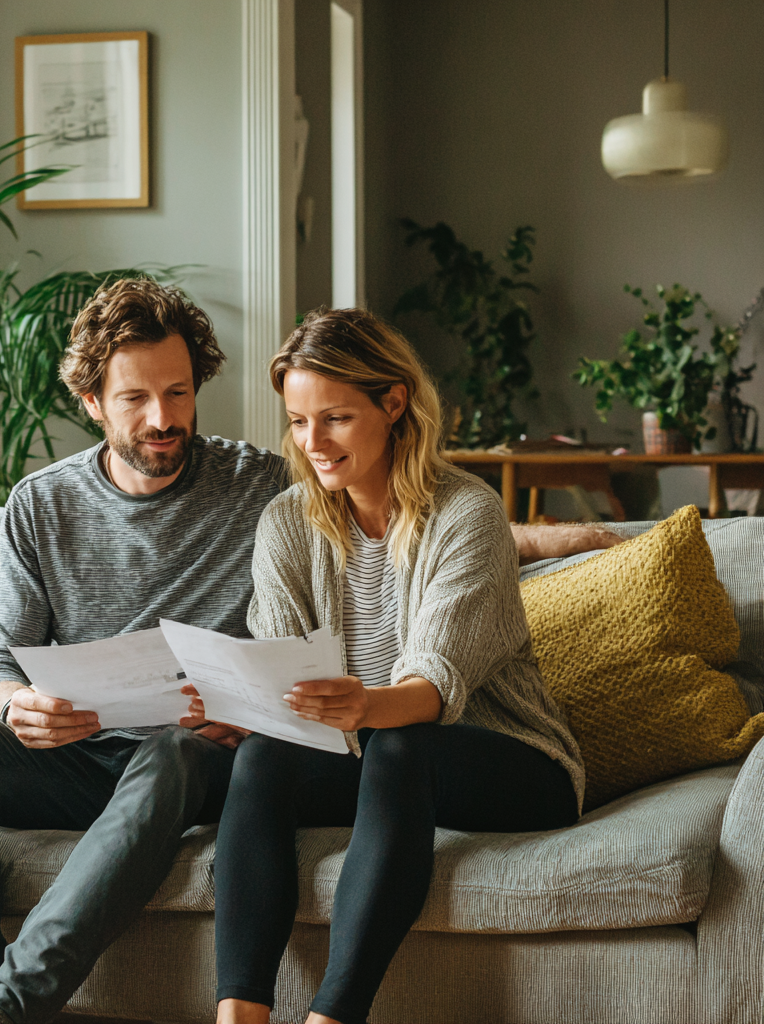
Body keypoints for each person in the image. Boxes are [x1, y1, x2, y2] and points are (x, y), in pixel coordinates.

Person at [0, 278, 285, 1024]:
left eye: (179, 393)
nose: (163, 419)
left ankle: (10, 1007)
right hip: (82, 756)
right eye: (136, 400)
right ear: (90, 401)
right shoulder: (41, 504)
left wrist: (566, 537)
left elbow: (387, 520)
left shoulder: (260, 483)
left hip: (194, 756)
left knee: (172, 751)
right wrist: (17, 706)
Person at [201, 308, 587, 1024]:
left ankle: (333, 1017)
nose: (312, 442)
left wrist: (360, 707)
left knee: (401, 744)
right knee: (262, 763)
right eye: (297, 421)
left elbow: (432, 684)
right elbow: (282, 671)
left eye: (336, 418)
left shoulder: (466, 513)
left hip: (515, 762)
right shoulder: (285, 521)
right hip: (366, 753)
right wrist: (242, 705)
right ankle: (239, 1016)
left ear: (394, 403)